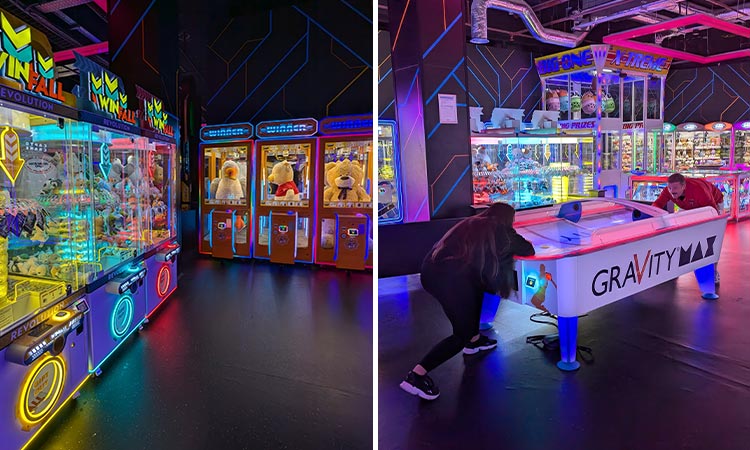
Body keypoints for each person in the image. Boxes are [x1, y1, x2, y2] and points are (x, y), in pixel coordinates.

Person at [399, 202, 535, 400]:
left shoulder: (472, 222)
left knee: (478, 288)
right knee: (459, 334)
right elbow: (527, 249)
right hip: (450, 279)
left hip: (432, 272)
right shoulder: (500, 231)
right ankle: (416, 375)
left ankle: (474, 341)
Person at [651, 172, 724, 283]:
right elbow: (656, 205)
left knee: (712, 239)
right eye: (670, 187)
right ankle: (674, 268)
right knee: (678, 234)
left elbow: (712, 212)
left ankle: (713, 271)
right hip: (688, 207)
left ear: (683, 186)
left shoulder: (699, 191)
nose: (672, 190)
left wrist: (711, 227)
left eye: (675, 187)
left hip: (711, 205)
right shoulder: (668, 191)